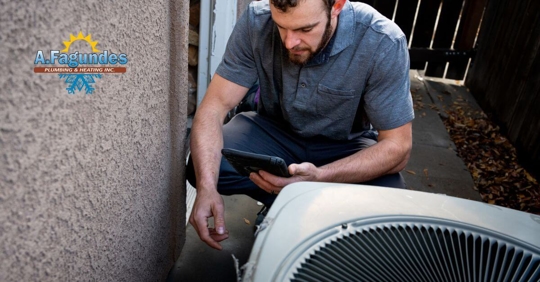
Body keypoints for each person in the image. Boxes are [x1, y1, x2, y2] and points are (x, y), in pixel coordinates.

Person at [187, 0, 414, 250]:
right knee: (205, 166)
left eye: (305, 29)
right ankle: (286, 203)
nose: (289, 42)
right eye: (281, 26)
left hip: (344, 147)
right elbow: (213, 107)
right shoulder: (256, 20)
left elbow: (398, 146)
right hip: (275, 136)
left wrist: (320, 177)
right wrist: (206, 189)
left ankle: (310, 215)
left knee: (387, 202)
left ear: (336, 6)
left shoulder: (382, 40)